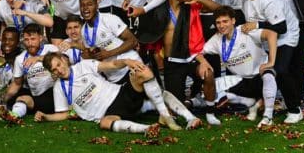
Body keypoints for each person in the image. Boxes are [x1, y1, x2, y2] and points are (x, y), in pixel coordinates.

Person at [37, 52, 200, 132]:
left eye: (59, 64)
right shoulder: (59, 87)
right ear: (52, 72)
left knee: (143, 71)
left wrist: (127, 61)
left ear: (63, 60)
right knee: (104, 124)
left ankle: (188, 118)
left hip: (120, 94)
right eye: (54, 69)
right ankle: (148, 128)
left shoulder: (84, 66)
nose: (59, 70)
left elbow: (112, 65)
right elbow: (63, 113)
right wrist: (46, 116)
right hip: (109, 113)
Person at [237, 0, 302, 123]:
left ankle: (295, 110)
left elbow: (281, 27)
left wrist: (256, 24)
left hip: (286, 36)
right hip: (266, 36)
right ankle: (261, 102)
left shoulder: (268, 0)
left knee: (280, 70)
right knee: (256, 69)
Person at [161, 0, 221, 125]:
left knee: (208, 74)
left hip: (192, 57)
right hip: (172, 62)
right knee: (176, 110)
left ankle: (210, 113)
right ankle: (190, 102)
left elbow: (220, 9)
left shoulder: (192, 5)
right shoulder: (160, 11)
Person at [202, 6, 278, 128]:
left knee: (268, 74)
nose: (221, 25)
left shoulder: (245, 30)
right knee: (213, 91)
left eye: (225, 21)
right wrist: (203, 62)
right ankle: (252, 103)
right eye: (218, 22)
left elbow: (272, 34)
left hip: (259, 77)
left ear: (233, 20)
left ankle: (267, 117)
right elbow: (199, 52)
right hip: (241, 81)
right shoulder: (216, 39)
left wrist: (271, 61)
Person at [78, 0, 141, 84]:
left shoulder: (109, 19)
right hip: (113, 77)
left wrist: (108, 54)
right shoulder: (84, 30)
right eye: (82, 5)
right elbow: (93, 51)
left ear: (97, 6)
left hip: (130, 67)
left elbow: (133, 41)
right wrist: (90, 55)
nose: (85, 8)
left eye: (89, 4)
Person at [5, 24, 59, 118]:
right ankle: (14, 117)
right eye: (26, 40)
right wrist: (1, 99)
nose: (30, 43)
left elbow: (60, 59)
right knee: (21, 98)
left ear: (41, 38)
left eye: (33, 39)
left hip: (55, 93)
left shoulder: (51, 49)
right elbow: (17, 84)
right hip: (36, 95)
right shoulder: (20, 58)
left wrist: (38, 58)